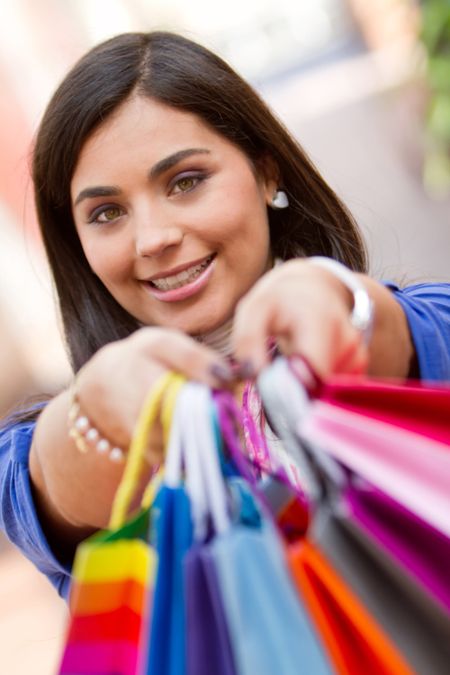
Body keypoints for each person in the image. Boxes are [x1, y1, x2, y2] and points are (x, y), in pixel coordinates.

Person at [1, 31, 450, 601]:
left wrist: (344, 312)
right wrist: (100, 414)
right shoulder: (48, 443)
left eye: (186, 182)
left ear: (268, 172)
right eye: (107, 212)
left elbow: (412, 342)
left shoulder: (419, 321)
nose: (154, 238)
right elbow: (56, 487)